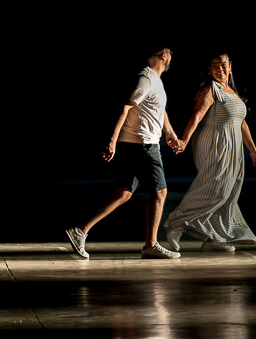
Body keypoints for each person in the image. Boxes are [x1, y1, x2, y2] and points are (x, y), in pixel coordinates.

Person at [65, 47, 182, 260]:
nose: (172, 56)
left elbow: (159, 109)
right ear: (164, 55)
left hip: (138, 143)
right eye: (170, 53)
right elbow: (125, 108)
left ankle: (80, 230)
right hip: (143, 144)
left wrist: (170, 132)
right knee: (160, 192)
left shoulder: (155, 80)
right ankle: (151, 245)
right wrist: (112, 140)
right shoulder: (146, 78)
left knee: (124, 193)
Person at [162, 52, 256, 253]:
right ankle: (176, 222)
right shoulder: (210, 89)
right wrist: (184, 140)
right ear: (209, 69)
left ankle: (214, 238)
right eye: (215, 65)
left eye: (223, 64)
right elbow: (196, 116)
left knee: (230, 190)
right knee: (216, 187)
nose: (219, 68)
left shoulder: (231, 90)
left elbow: (241, 123)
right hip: (215, 142)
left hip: (233, 146)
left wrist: (253, 150)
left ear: (230, 66)